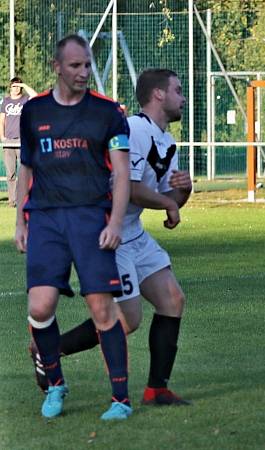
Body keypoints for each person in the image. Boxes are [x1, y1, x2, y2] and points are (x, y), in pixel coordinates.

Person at [36, 69, 193, 407]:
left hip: (132, 230)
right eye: (178, 90)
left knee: (172, 300)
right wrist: (168, 202)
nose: (183, 98)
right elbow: (132, 189)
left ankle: (157, 390)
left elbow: (170, 206)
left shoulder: (166, 140)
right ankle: (48, 349)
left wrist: (184, 192)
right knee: (127, 320)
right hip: (109, 230)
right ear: (158, 95)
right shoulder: (133, 129)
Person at [15, 34, 132, 420]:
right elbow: (26, 168)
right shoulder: (33, 111)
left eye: (87, 65)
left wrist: (115, 223)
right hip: (45, 219)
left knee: (101, 308)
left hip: (89, 217)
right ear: (57, 67)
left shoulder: (108, 112)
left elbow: (122, 173)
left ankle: (120, 400)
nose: (84, 73)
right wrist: (20, 221)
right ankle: (55, 384)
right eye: (76, 66)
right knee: (40, 304)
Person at [1, 77, 37, 206]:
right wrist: (2, 136)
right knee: (10, 173)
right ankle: (12, 201)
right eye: (13, 86)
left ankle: (26, 198)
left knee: (24, 171)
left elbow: (35, 95)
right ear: (10, 87)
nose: (15, 89)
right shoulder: (5, 101)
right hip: (8, 141)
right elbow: (2, 119)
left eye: (18, 86)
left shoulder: (25, 99)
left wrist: (24, 84)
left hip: (22, 141)